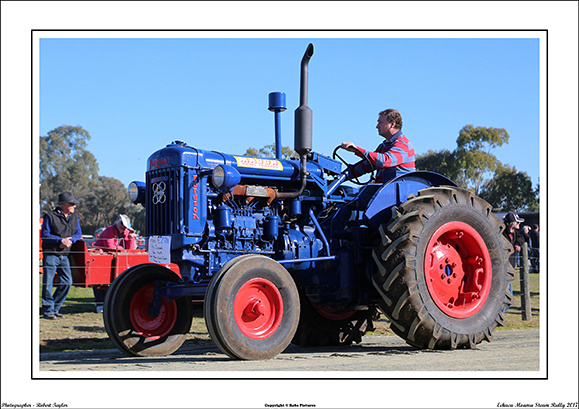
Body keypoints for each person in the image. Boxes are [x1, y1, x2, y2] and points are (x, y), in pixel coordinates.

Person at [341, 109, 415, 183]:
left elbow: (385, 161)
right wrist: (340, 177)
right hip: (383, 188)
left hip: (397, 190)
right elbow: (365, 166)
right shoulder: (383, 146)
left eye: (380, 123)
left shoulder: (402, 144)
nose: (377, 126)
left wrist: (357, 150)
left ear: (392, 124)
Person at [40, 192, 82, 319]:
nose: (74, 206)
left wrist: (70, 240)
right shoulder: (50, 216)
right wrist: (60, 240)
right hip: (51, 254)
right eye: (72, 204)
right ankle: (48, 311)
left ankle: (55, 308)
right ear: (64, 205)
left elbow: (78, 233)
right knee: (48, 283)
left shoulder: (75, 217)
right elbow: (44, 235)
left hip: (65, 255)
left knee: (67, 282)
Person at [92, 214, 137, 312]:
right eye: (121, 224)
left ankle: (107, 303)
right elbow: (110, 246)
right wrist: (122, 249)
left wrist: (131, 237)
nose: (123, 227)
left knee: (112, 281)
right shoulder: (109, 230)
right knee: (99, 281)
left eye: (125, 225)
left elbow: (129, 249)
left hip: (112, 258)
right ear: (117, 222)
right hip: (101, 258)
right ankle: (100, 304)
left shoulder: (125, 232)